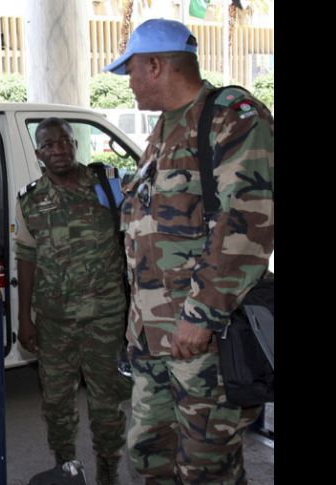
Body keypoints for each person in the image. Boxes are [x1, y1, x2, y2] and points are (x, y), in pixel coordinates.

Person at [104, 18, 274, 484]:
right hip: (152, 339)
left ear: (155, 66)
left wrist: (200, 316)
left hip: (203, 339)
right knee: (151, 455)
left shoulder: (232, 117)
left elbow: (247, 225)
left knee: (206, 467)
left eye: (132, 71)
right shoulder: (163, 130)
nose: (129, 83)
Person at [14, 118, 132, 485]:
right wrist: (25, 318)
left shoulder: (107, 184)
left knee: (106, 402)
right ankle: (67, 466)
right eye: (49, 145)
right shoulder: (29, 199)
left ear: (75, 144)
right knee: (57, 403)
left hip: (105, 315)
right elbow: (26, 258)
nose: (59, 149)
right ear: (39, 154)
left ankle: (108, 470)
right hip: (55, 320)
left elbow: (134, 242)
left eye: (64, 141)